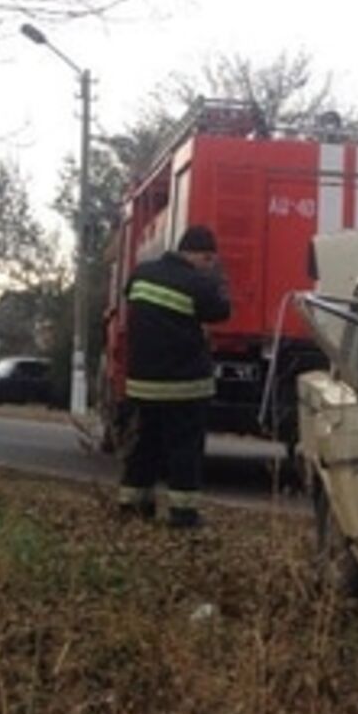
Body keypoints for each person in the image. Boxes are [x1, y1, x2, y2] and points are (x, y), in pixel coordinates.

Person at [117, 225, 231, 528]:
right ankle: (183, 514)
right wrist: (219, 280)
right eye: (209, 260)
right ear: (201, 255)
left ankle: (133, 504)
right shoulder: (198, 283)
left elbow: (131, 297)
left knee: (145, 445)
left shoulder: (141, 274)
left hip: (143, 383)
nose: (209, 266)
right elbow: (222, 312)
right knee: (184, 449)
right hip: (184, 385)